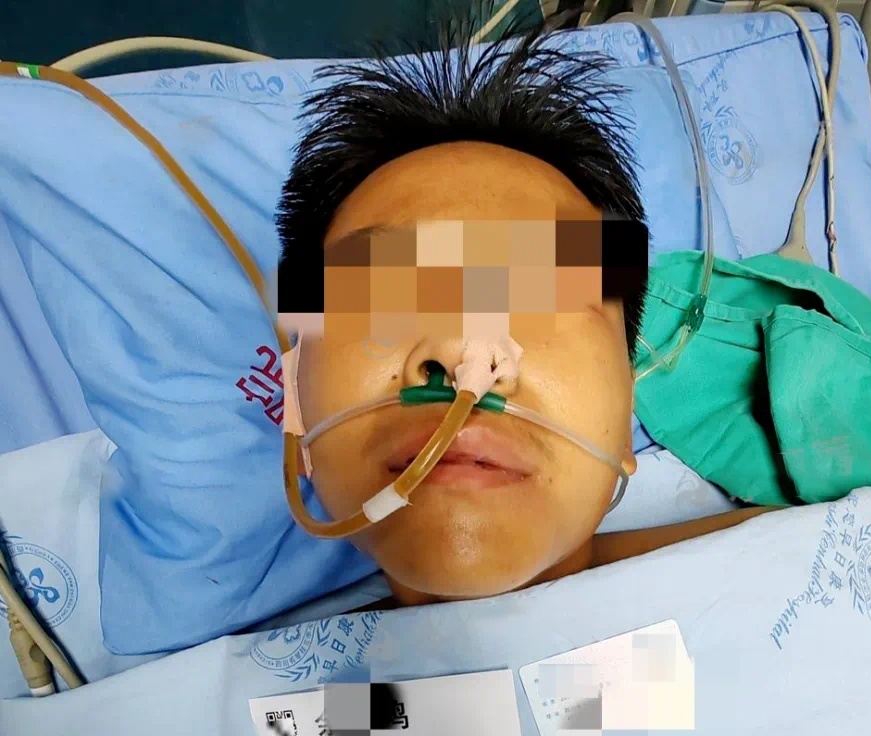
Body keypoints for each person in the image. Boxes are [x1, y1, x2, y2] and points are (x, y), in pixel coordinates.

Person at [276, 21, 773, 611]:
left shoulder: (824, 561)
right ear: (296, 410)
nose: (459, 351)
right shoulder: (230, 674)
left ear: (624, 412)